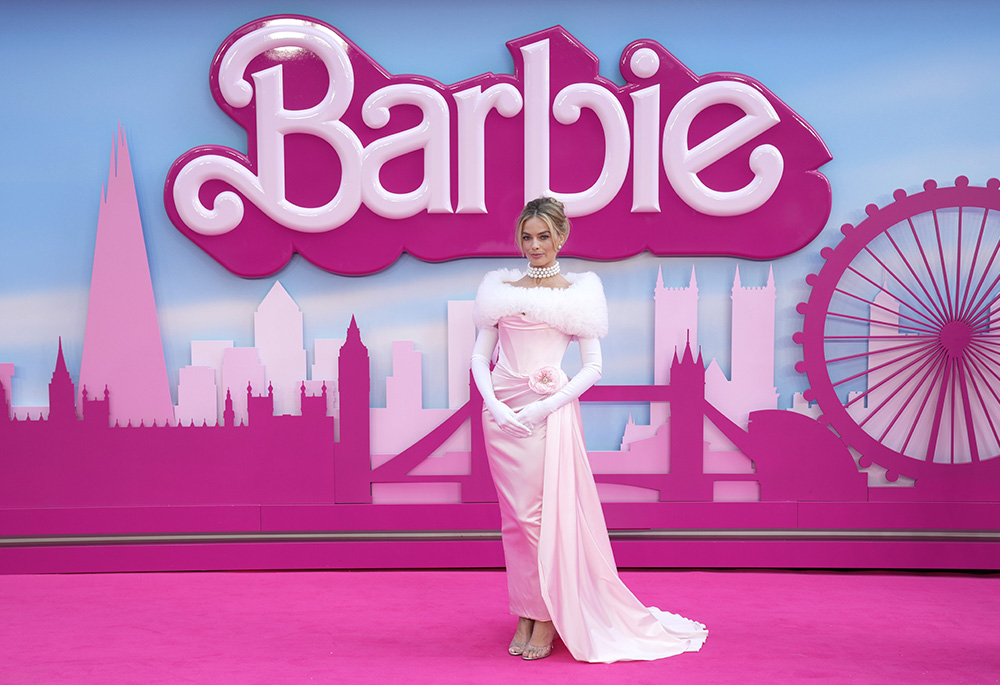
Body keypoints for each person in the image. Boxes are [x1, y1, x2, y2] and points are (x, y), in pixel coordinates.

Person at [470, 197, 708, 663]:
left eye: (543, 236)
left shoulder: (578, 295)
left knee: (540, 519)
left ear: (561, 237)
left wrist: (543, 408)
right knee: (515, 522)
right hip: (500, 416)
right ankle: (526, 608)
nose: (534, 245)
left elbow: (593, 368)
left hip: (544, 416)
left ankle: (545, 616)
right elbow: (480, 356)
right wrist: (493, 404)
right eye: (526, 236)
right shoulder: (498, 290)